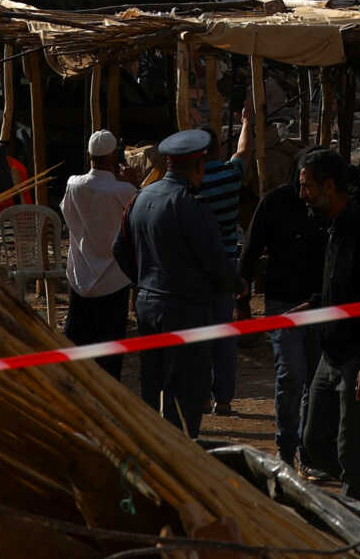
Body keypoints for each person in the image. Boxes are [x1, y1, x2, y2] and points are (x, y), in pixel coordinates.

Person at [112, 127, 238, 438]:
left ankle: (154, 444)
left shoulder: (141, 198)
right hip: (185, 308)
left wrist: (143, 281)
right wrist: (233, 286)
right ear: (198, 166)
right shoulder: (189, 204)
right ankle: (180, 448)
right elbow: (213, 260)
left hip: (148, 304)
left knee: (153, 380)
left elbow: (119, 249)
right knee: (187, 389)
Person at [297, 149, 360, 502]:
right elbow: (339, 287)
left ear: (328, 185)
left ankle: (359, 524)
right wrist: (312, 306)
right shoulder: (333, 227)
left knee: (350, 455)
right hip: (332, 355)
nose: (303, 195)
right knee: (313, 444)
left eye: (307, 186)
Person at [240, 158, 330, 467]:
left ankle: (310, 452)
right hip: (283, 303)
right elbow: (252, 246)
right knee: (291, 374)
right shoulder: (276, 202)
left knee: (316, 382)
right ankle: (286, 448)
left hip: (320, 304)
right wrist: (243, 285)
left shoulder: (330, 206)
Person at [61, 130, 137, 378]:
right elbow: (138, 218)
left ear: (89, 156)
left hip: (80, 275)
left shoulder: (73, 184)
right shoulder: (123, 191)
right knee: (110, 346)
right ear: (114, 156)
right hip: (113, 279)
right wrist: (133, 183)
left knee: (76, 341)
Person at [195, 124, 249, 416]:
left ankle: (203, 396)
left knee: (202, 333)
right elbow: (243, 152)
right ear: (217, 149)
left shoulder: (193, 183)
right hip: (227, 264)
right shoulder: (231, 176)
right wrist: (246, 124)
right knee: (224, 334)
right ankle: (224, 398)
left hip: (199, 267)